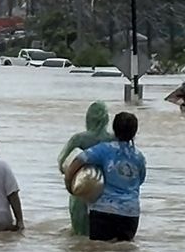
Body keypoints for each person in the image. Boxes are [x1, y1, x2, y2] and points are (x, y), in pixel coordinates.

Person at [65, 112, 146, 242]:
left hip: (103, 212)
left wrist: (70, 185)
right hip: (130, 214)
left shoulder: (103, 150)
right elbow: (140, 180)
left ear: (114, 129)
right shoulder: (139, 157)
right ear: (134, 133)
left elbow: (76, 163)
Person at [57, 100, 113, 236]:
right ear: (106, 119)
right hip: (106, 193)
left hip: (81, 189)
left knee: (79, 235)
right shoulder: (113, 140)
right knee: (102, 237)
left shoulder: (79, 139)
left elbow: (61, 162)